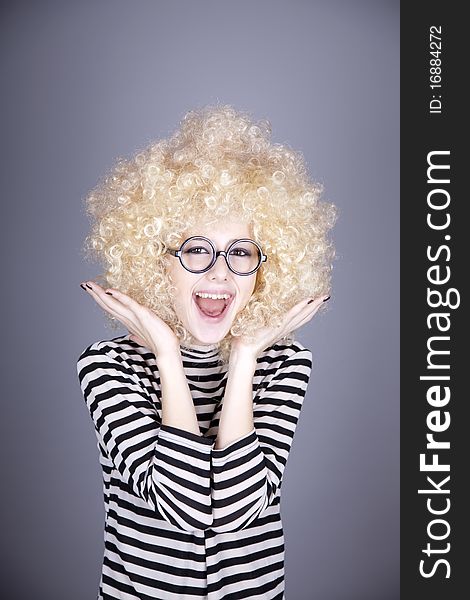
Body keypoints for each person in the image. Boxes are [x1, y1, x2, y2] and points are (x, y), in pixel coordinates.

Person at [76, 105, 336, 600]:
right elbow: (187, 510)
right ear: (159, 261)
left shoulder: (282, 362)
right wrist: (168, 356)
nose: (220, 273)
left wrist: (244, 360)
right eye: (197, 249)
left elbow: (238, 514)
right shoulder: (107, 365)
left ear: (262, 268)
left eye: (240, 251)